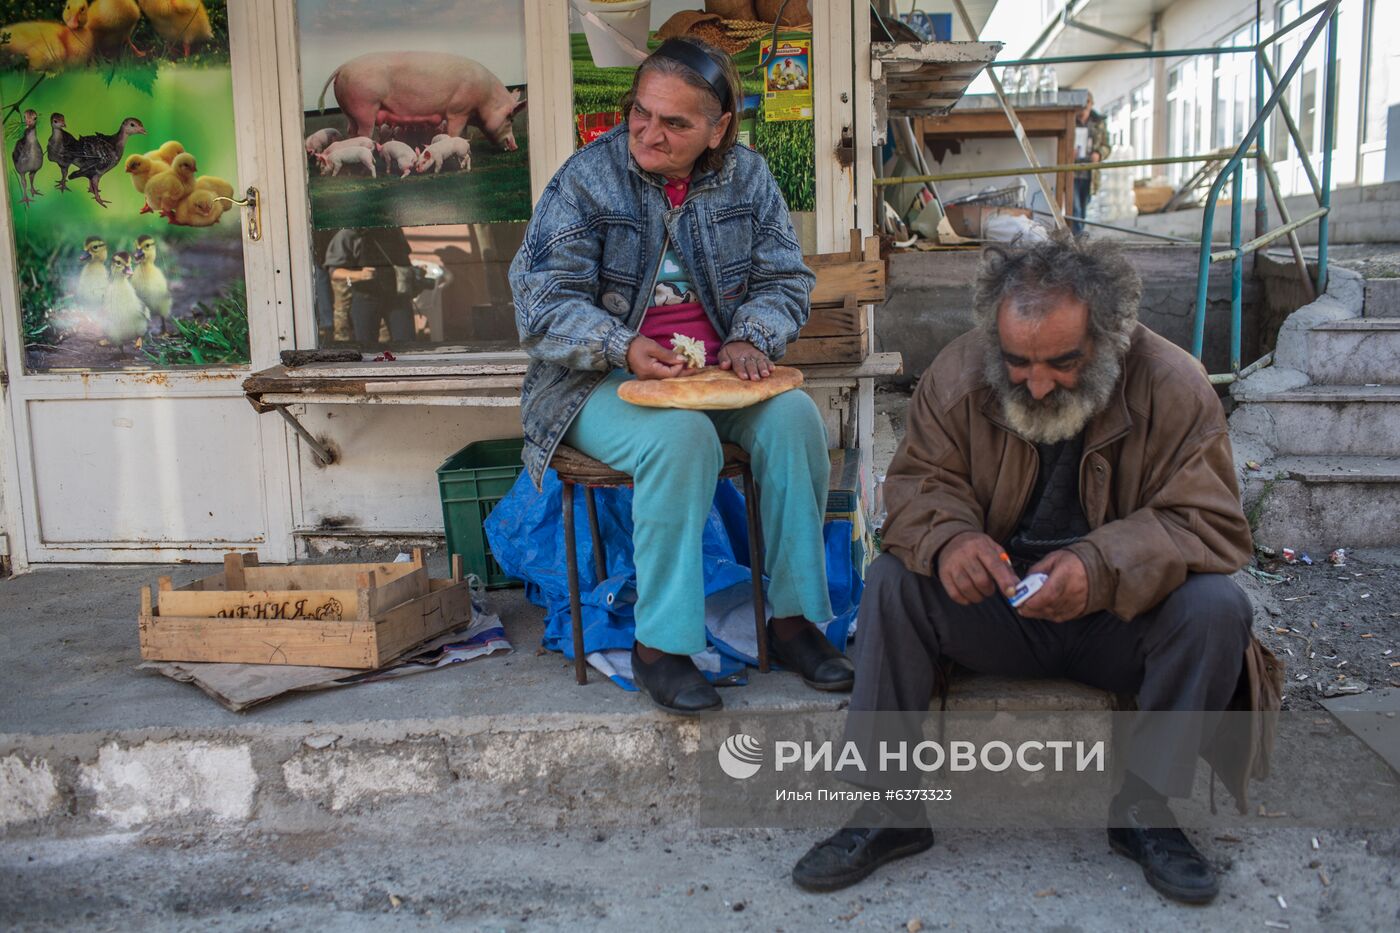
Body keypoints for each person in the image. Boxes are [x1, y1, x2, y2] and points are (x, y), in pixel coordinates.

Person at [791, 232, 1281, 903]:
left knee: (1219, 609)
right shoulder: (961, 374)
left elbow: (1214, 525)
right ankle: (890, 806)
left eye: (1062, 362)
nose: (1038, 382)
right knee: (895, 583)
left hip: (1119, 617)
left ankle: (1144, 808)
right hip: (999, 607)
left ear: (1108, 337)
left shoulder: (1174, 384)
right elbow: (914, 488)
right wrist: (951, 539)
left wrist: (1100, 564)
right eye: (1019, 361)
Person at [509, 37, 854, 714]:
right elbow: (541, 300)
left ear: (719, 127)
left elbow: (785, 279)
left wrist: (753, 336)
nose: (649, 132)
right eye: (641, 112)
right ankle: (660, 646)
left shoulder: (748, 178)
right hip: (595, 382)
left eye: (676, 123)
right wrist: (621, 343)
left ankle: (792, 622)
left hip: (716, 375)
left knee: (794, 420)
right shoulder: (585, 180)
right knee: (682, 440)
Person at [323, 226, 416, 346]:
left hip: (397, 297)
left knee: (407, 345)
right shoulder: (349, 234)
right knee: (366, 346)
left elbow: (404, 259)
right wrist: (359, 274)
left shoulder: (394, 230)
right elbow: (334, 272)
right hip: (366, 298)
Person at [1072, 92, 1111, 235]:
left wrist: (1099, 154)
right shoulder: (1070, 121)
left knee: (1083, 207)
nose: (1084, 105)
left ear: (1091, 104)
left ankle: (1078, 235)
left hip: (1090, 173)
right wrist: (1068, 152)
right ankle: (1077, 238)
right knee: (1074, 208)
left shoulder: (1098, 123)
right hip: (1072, 171)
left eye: (1087, 101)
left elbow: (1107, 146)